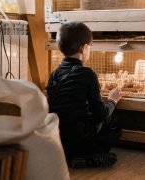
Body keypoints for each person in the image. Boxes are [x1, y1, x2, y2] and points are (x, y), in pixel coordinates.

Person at [46, 21, 122, 168]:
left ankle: (72, 155)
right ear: (83, 48)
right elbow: (101, 114)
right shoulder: (87, 74)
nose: (90, 49)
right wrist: (112, 100)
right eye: (90, 46)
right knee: (114, 123)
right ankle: (88, 154)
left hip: (56, 136)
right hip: (78, 136)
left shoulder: (54, 73)